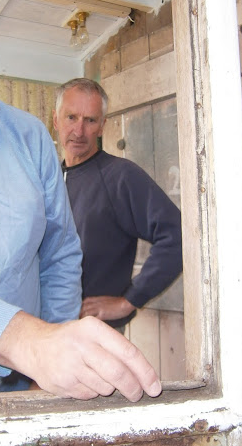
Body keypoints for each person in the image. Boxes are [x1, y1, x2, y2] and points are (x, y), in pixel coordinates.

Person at [0, 0, 161, 402]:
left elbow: (60, 252)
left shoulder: (31, 139)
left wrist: (127, 301)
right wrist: (29, 341)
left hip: (28, 384)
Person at [53, 78, 183, 331]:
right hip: (48, 332)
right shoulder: (50, 180)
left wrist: (129, 300)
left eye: (90, 120)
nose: (79, 131)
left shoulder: (120, 176)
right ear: (56, 120)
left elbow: (176, 234)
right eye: (71, 117)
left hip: (96, 335)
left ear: (102, 126)